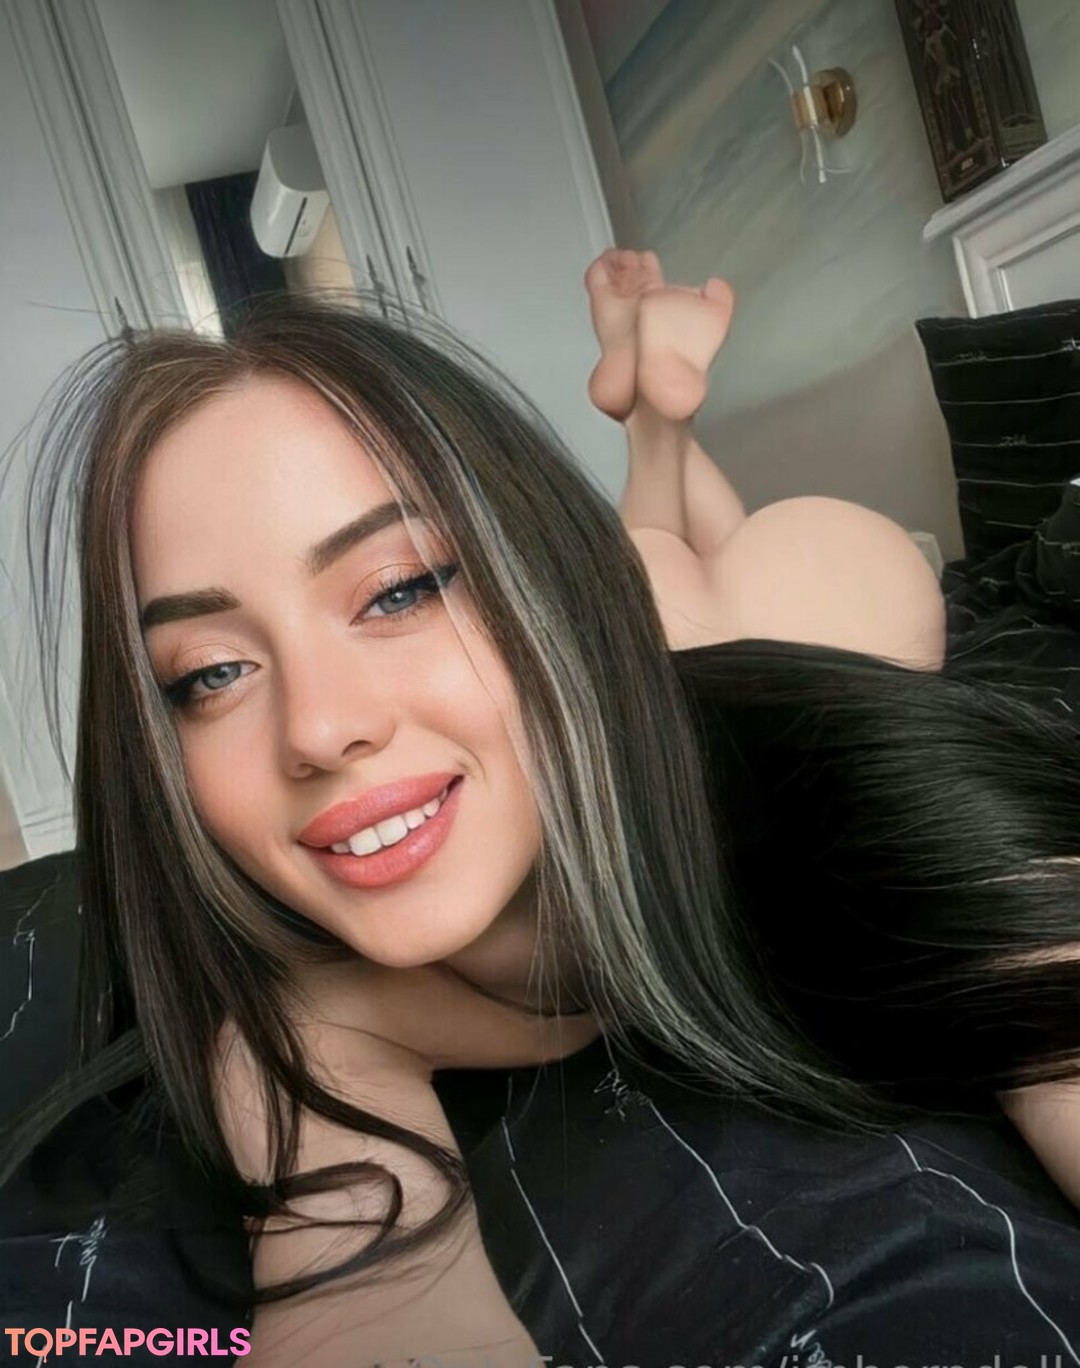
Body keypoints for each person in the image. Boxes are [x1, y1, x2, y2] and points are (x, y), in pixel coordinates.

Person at [1, 292, 1079, 1367]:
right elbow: (362, 1281)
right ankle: (655, 425)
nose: (320, 730)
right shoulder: (282, 998)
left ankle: (658, 430)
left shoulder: (867, 792)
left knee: (734, 575)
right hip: (605, 660)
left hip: (800, 617)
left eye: (399, 591)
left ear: (555, 574)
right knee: (658, 571)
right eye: (212, 672)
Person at [583, 247, 947, 668]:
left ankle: (654, 414)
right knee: (704, 585)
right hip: (859, 636)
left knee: (709, 576)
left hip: (864, 627)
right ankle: (653, 413)